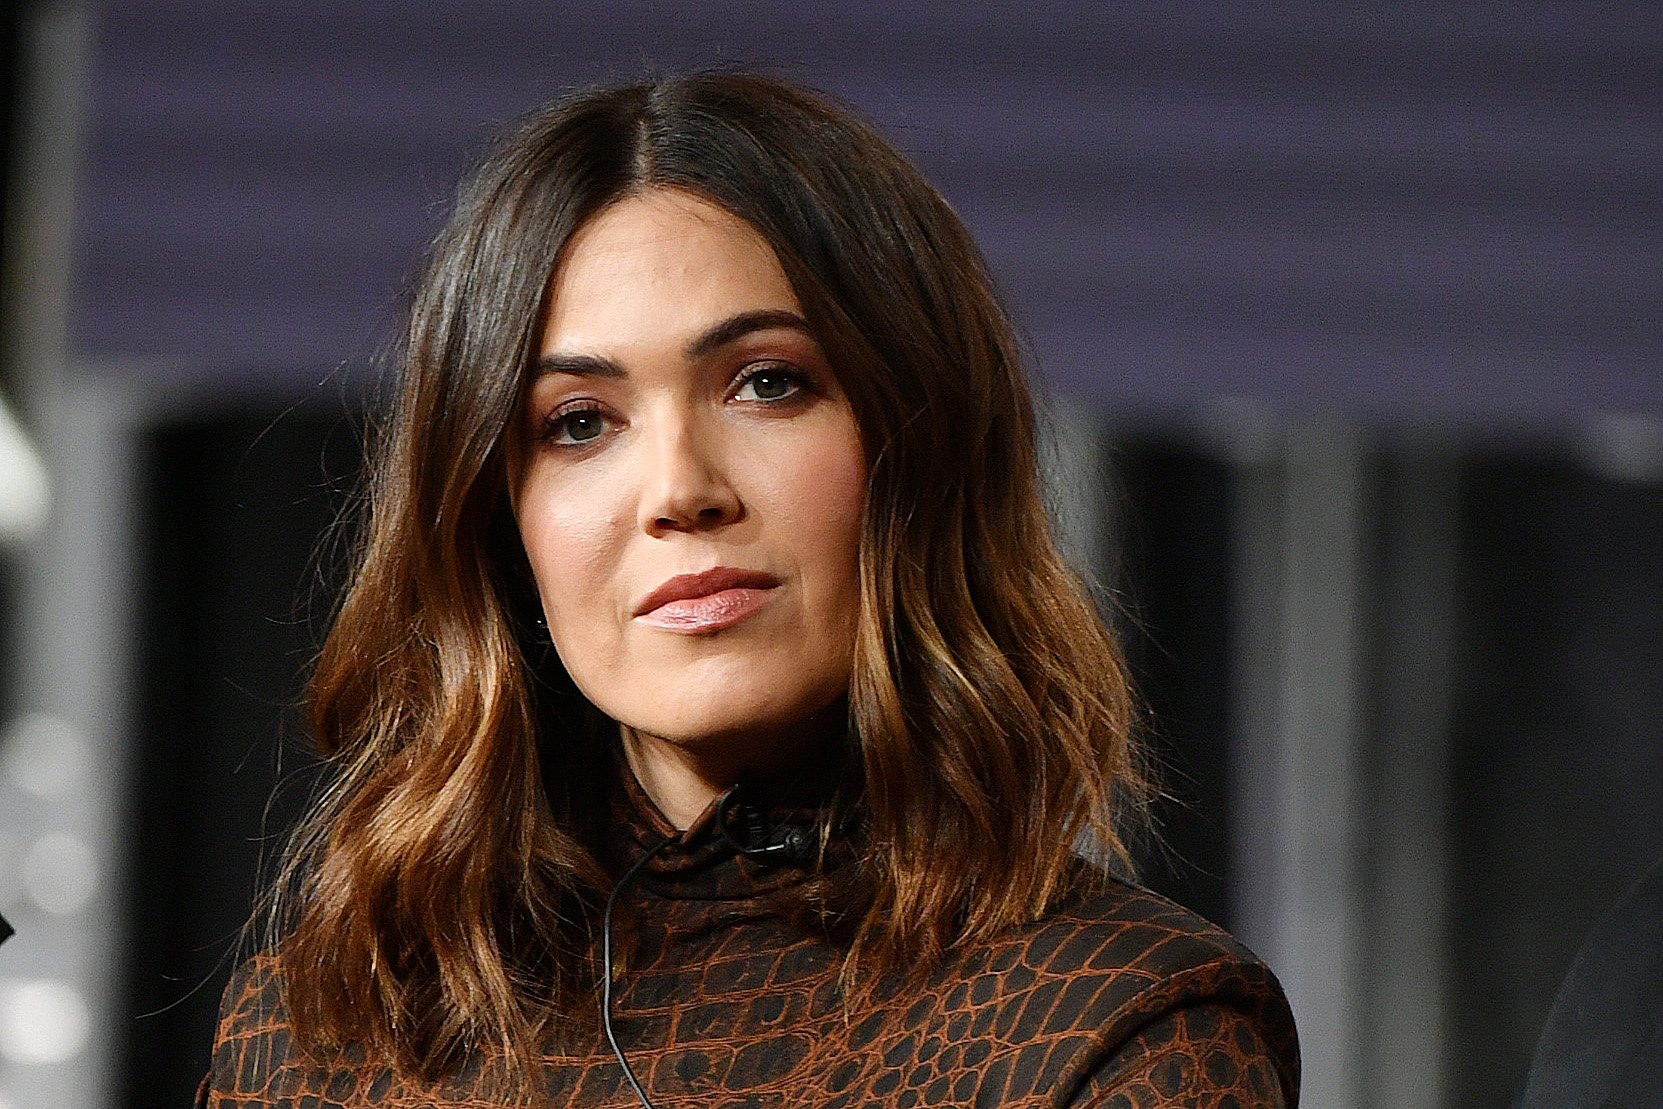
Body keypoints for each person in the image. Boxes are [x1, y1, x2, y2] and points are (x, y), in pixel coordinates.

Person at [197, 72, 1299, 1107]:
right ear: (494, 516)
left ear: (922, 443)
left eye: (768, 384)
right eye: (579, 422)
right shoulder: (323, 1033)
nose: (679, 488)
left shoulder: (1123, 1020)